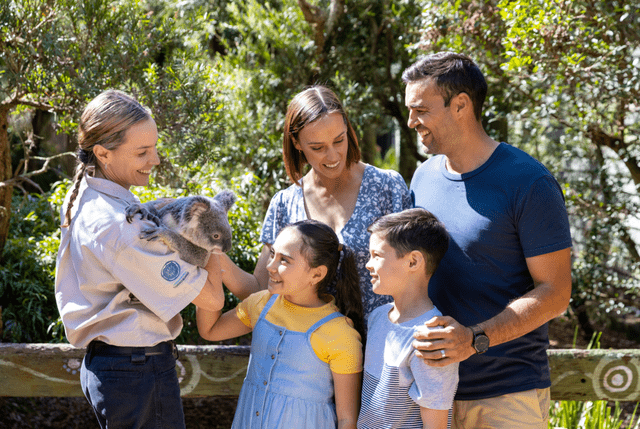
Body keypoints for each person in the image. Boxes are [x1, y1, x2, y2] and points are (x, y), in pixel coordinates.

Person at [403, 52, 573, 428]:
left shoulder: (528, 183)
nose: (411, 121)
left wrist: (475, 339)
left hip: (506, 395)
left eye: (421, 110)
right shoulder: (423, 178)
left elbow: (556, 292)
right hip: (430, 394)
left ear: (460, 104)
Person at [54, 89, 225, 429]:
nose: (156, 159)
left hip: (117, 367)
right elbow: (212, 297)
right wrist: (210, 248)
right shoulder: (122, 227)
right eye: (143, 151)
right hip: (136, 370)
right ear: (103, 153)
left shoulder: (92, 199)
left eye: (155, 147)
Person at [217, 85, 411, 319]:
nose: (332, 156)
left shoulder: (387, 187)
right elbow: (261, 287)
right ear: (297, 143)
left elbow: (414, 276)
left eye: (339, 140)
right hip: (308, 349)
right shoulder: (284, 204)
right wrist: (212, 256)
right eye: (317, 148)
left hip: (380, 347)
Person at [197, 219, 364, 429]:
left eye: (284, 260)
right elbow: (210, 330)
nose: (270, 266)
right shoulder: (260, 304)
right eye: (272, 254)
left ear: (316, 274)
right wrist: (207, 266)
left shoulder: (340, 334)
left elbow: (347, 419)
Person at [357, 208, 458, 429]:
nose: (368, 264)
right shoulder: (377, 317)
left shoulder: (431, 337)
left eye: (377, 256)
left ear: (413, 262)